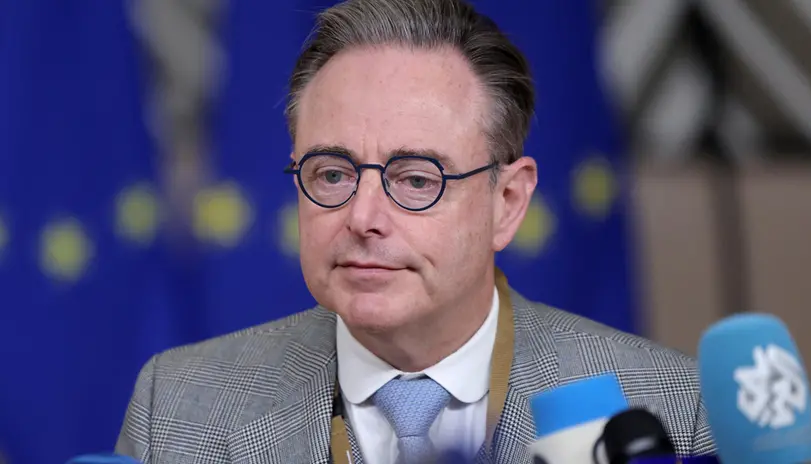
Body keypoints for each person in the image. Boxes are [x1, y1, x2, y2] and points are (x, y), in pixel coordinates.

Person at [116, 0, 716, 462]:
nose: (363, 217)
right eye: (331, 173)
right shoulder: (178, 406)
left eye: (415, 179)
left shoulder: (666, 402)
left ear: (507, 203)